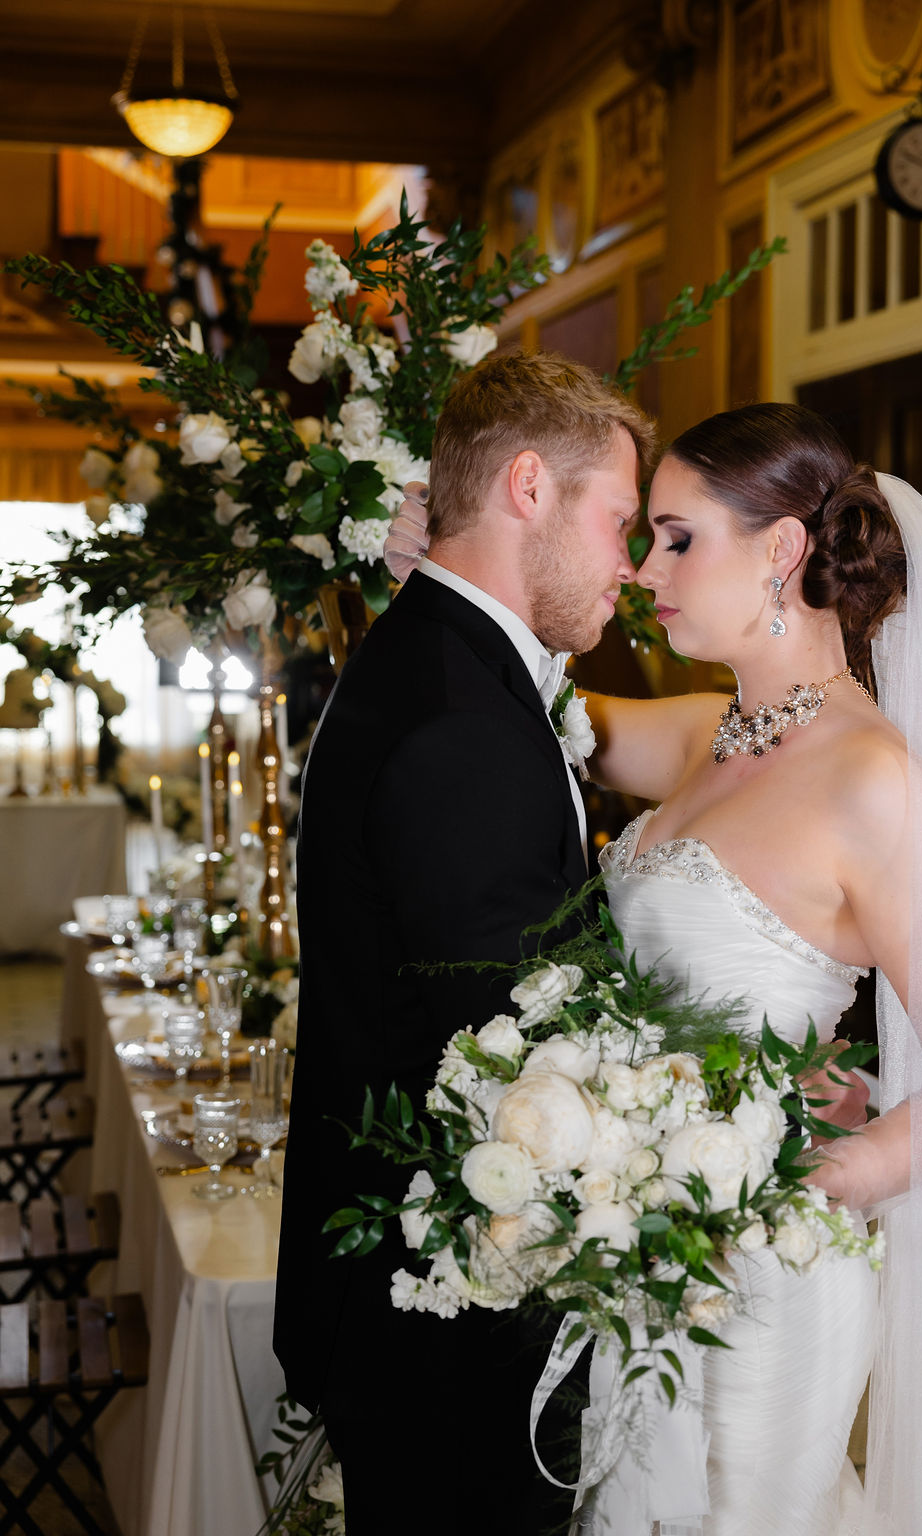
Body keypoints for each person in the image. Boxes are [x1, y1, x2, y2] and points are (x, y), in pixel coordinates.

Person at [390, 401, 922, 1535]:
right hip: (641, 1261)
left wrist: (786, 1189)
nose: (642, 570)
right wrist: (454, 571)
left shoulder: (875, 783)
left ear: (781, 550)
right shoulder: (704, 733)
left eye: (678, 538)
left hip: (765, 1279)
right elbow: (524, 704)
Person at [273, 349, 660, 1536]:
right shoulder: (460, 722)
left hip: (416, 1313)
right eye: (622, 523)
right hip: (455, 1329)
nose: (632, 565)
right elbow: (506, 1064)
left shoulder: (446, 662)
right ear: (530, 488)